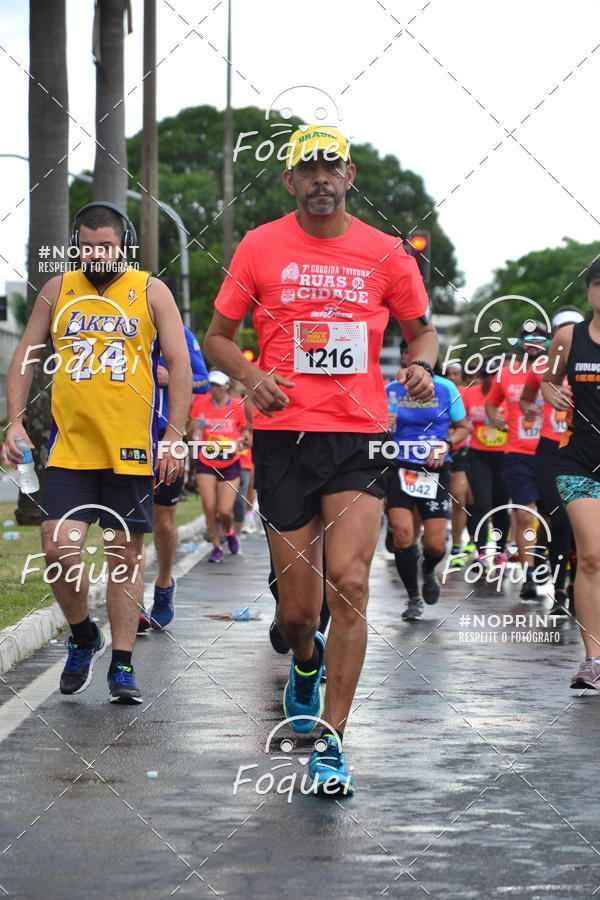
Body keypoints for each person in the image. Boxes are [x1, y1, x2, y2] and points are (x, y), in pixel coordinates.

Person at [205, 124, 438, 794]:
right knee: (300, 613)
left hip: (358, 437)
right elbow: (218, 339)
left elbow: (421, 330)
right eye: (307, 169)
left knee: (353, 584)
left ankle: (333, 742)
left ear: (349, 176)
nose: (320, 179)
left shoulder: (385, 252)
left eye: (330, 167)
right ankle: (303, 658)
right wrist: (251, 379)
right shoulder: (260, 246)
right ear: (289, 181)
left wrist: (421, 365)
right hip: (284, 439)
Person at [5, 202, 190, 703]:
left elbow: (179, 363)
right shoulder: (58, 290)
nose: (95, 254)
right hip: (71, 448)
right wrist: (16, 419)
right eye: (86, 245)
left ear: (122, 245)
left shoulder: (151, 292)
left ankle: (123, 666)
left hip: (130, 451)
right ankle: (85, 635)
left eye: (105, 245)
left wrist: (174, 434)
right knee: (57, 546)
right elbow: (24, 354)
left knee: (123, 558)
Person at [543, 262, 600, 688]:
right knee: (593, 557)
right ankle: (593, 660)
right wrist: (555, 392)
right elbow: (547, 381)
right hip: (578, 463)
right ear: (589, 291)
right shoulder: (570, 337)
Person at [387, 355, 469, 621]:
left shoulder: (446, 388)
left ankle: (428, 569)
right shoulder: (390, 390)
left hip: (435, 470)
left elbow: (463, 427)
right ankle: (413, 598)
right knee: (402, 534)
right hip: (400, 467)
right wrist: (382, 427)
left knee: (435, 545)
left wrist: (445, 443)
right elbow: (374, 427)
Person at [138, 326, 209, 633]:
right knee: (128, 524)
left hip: (166, 439)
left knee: (163, 523)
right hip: (126, 437)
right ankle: (134, 599)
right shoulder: (115, 324)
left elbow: (203, 382)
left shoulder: (179, 333)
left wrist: (170, 378)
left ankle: (164, 584)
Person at [519, 306, 585, 617]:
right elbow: (526, 398)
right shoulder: (543, 367)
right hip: (550, 448)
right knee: (558, 519)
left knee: (579, 527)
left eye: (574, 327)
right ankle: (559, 589)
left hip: (585, 447)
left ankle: (576, 587)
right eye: (563, 329)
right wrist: (531, 409)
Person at [485, 321, 549, 600]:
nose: (533, 343)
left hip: (551, 452)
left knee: (551, 517)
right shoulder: (506, 374)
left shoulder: (555, 373)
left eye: (540, 338)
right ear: (519, 343)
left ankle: (545, 555)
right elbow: (491, 403)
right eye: (528, 338)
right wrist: (495, 416)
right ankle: (530, 575)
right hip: (517, 453)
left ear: (548, 343)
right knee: (524, 515)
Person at [189, 370, 250, 563]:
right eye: (212, 385)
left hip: (230, 461)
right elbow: (191, 434)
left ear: (227, 386)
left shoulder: (238, 407)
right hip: (206, 460)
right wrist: (196, 428)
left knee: (224, 510)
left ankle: (229, 531)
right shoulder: (200, 404)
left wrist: (242, 441)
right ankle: (216, 547)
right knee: (209, 506)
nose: (214, 389)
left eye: (218, 385)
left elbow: (247, 432)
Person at [462, 357, 510, 570]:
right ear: (482, 377)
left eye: (498, 374)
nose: (494, 379)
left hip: (504, 455)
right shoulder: (470, 394)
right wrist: (466, 428)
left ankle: (500, 553)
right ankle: (481, 553)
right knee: (482, 505)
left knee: (501, 506)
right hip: (478, 456)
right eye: (490, 375)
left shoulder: (509, 395)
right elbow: (458, 421)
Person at [443, 361, 475, 567]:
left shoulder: (467, 394)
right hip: (436, 450)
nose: (452, 377)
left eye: (456, 374)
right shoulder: (439, 391)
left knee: (460, 496)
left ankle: (459, 545)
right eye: (448, 374)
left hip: (462, 450)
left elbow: (469, 424)